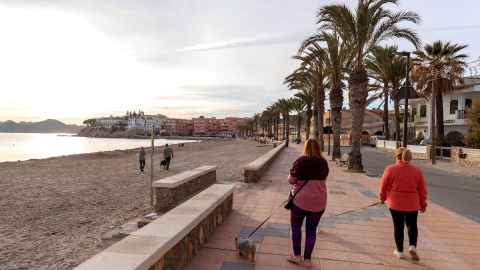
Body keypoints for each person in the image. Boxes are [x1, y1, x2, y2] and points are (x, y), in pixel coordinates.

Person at [379, 147, 427, 261]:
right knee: (412, 224)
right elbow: (422, 189)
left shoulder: (390, 169)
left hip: (395, 202)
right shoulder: (417, 170)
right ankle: (412, 246)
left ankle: (400, 251)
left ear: (396, 156)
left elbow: (383, 186)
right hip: (412, 202)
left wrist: (382, 198)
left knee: (398, 226)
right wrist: (423, 204)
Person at [287, 138, 329, 268]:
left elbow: (292, 180)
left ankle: (297, 256)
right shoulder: (323, 163)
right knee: (311, 230)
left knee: (296, 228)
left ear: (306, 148)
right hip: (319, 201)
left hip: (300, 200)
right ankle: (307, 260)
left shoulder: (301, 161)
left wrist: (291, 176)